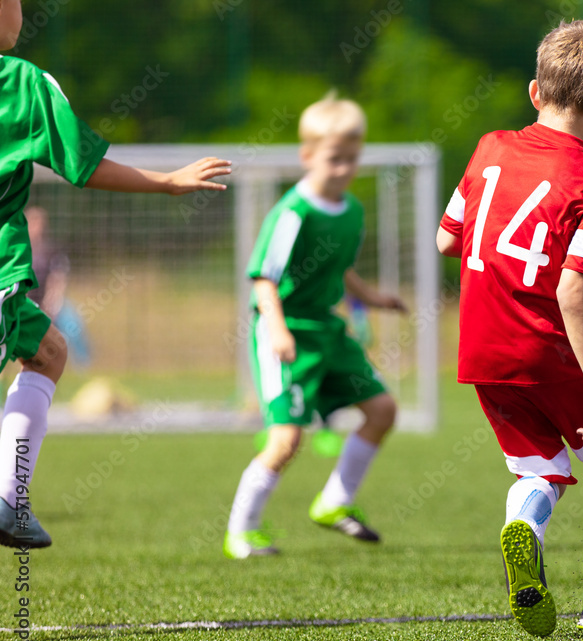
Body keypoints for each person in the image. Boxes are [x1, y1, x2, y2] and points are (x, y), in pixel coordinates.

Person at [437, 20, 583, 635]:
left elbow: (444, 239)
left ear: (536, 91)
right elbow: (571, 287)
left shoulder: (489, 148)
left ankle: (525, 527)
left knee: (539, 470)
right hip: (548, 349)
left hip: (482, 349)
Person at [0, 0, 231, 549]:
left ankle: (10, 501)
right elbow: (84, 164)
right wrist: (167, 182)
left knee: (49, 351)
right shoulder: (21, 83)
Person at [223, 92, 405, 560]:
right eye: (333, 158)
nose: (344, 168)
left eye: (352, 158)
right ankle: (241, 531)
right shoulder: (292, 213)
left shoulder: (351, 212)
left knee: (383, 409)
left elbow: (337, 269)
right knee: (286, 440)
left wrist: (372, 298)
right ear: (307, 155)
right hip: (286, 334)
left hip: (328, 329)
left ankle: (334, 501)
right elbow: (265, 277)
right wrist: (278, 329)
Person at [25, 206, 91, 366]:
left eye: (40, 222)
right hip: (24, 303)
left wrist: (52, 304)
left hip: (51, 302)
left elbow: (58, 278)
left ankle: (85, 367)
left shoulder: (52, 250)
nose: (37, 227)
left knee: (73, 323)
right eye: (32, 222)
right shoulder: (19, 252)